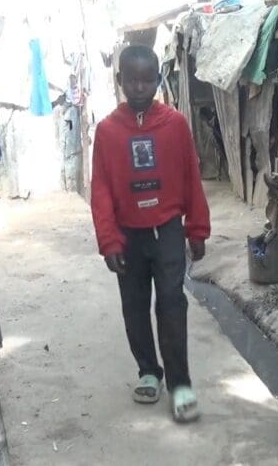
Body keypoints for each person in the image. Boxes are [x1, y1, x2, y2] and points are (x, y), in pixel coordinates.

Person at [90, 44, 210, 423]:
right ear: (120, 80)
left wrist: (197, 228)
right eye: (132, 79)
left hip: (168, 231)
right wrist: (109, 240)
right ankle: (148, 371)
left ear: (159, 80)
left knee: (172, 303)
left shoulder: (175, 125)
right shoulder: (108, 131)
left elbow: (191, 175)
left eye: (147, 79)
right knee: (135, 306)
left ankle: (180, 384)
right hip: (129, 236)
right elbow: (101, 189)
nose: (139, 87)